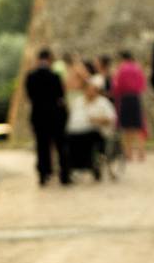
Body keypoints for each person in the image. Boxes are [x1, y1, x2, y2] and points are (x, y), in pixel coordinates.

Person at [25, 48, 71, 186]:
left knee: (41, 146)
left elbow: (30, 96)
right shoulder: (55, 76)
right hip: (55, 116)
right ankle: (64, 175)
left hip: (38, 116)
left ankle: (43, 174)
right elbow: (61, 96)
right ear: (49, 60)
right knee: (60, 145)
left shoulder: (30, 77)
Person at [66, 74, 117, 180]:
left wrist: (97, 119)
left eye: (92, 89)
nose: (89, 92)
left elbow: (111, 119)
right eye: (87, 89)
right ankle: (74, 166)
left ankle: (90, 165)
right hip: (77, 129)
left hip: (97, 131)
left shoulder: (103, 102)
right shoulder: (79, 101)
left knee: (87, 138)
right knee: (70, 139)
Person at [112, 51, 147, 161]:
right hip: (136, 97)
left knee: (126, 127)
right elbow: (143, 84)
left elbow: (117, 86)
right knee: (138, 126)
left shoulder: (121, 69)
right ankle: (141, 152)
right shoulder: (138, 68)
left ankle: (128, 153)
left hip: (125, 98)